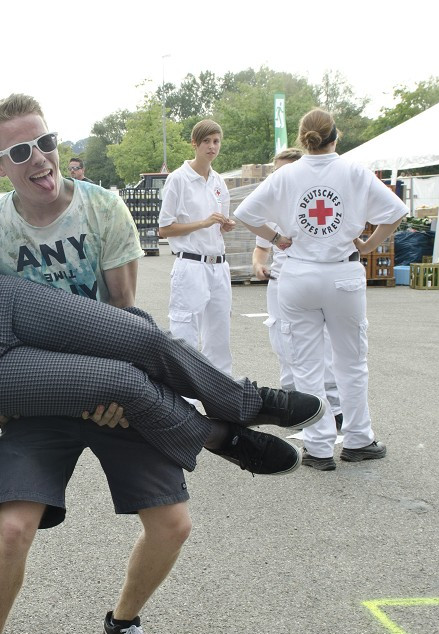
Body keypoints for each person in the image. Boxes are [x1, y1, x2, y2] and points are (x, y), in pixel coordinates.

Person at [0, 95, 303, 634]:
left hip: (115, 386)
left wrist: (114, 391)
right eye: (21, 151)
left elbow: (120, 312)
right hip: (39, 397)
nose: (41, 159)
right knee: (13, 528)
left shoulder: (103, 206)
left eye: (47, 141)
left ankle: (123, 622)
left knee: (173, 524)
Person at [235, 108, 407, 471]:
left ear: (302, 137)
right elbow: (395, 211)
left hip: (297, 275)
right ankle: (359, 438)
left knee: (306, 367)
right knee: (351, 362)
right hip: (342, 274)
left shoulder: (287, 175)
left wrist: (278, 238)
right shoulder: (354, 172)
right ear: (335, 136)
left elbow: (246, 213)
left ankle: (319, 448)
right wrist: (369, 244)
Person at [251, 148, 343, 451]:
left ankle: (333, 410)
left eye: (286, 170)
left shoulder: (312, 205)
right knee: (283, 344)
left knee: (319, 348)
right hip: (279, 285)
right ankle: (296, 408)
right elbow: (261, 248)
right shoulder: (273, 209)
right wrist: (258, 264)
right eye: (277, 171)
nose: (281, 177)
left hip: (305, 283)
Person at [158, 119, 236, 376]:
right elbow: (165, 228)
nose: (212, 147)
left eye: (216, 142)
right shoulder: (178, 179)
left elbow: (218, 223)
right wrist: (203, 223)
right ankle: (186, 401)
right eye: (206, 142)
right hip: (191, 264)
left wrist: (224, 225)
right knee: (186, 333)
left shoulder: (218, 182)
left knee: (219, 335)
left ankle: (222, 397)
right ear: (195, 144)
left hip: (218, 265)